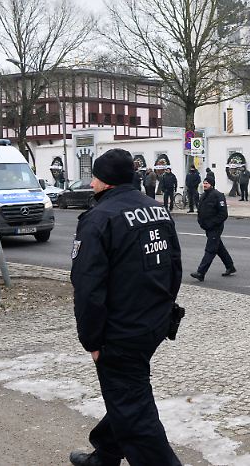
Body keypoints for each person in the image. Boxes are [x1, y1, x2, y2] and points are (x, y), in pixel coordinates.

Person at [69, 148, 183, 466]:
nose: (91, 183)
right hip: (154, 325)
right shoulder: (157, 209)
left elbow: (88, 287)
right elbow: (174, 267)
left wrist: (92, 341)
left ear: (104, 181)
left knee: (134, 410)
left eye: (93, 176)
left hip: (120, 334)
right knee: (128, 393)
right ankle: (104, 456)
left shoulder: (99, 219)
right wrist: (162, 312)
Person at [190, 179, 235, 281]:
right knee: (219, 247)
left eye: (207, 183)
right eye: (204, 183)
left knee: (210, 250)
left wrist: (212, 223)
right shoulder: (204, 195)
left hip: (215, 227)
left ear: (212, 184)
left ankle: (201, 272)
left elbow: (223, 214)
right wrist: (201, 222)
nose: (205, 185)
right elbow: (200, 210)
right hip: (207, 227)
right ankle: (230, 267)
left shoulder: (218, 195)